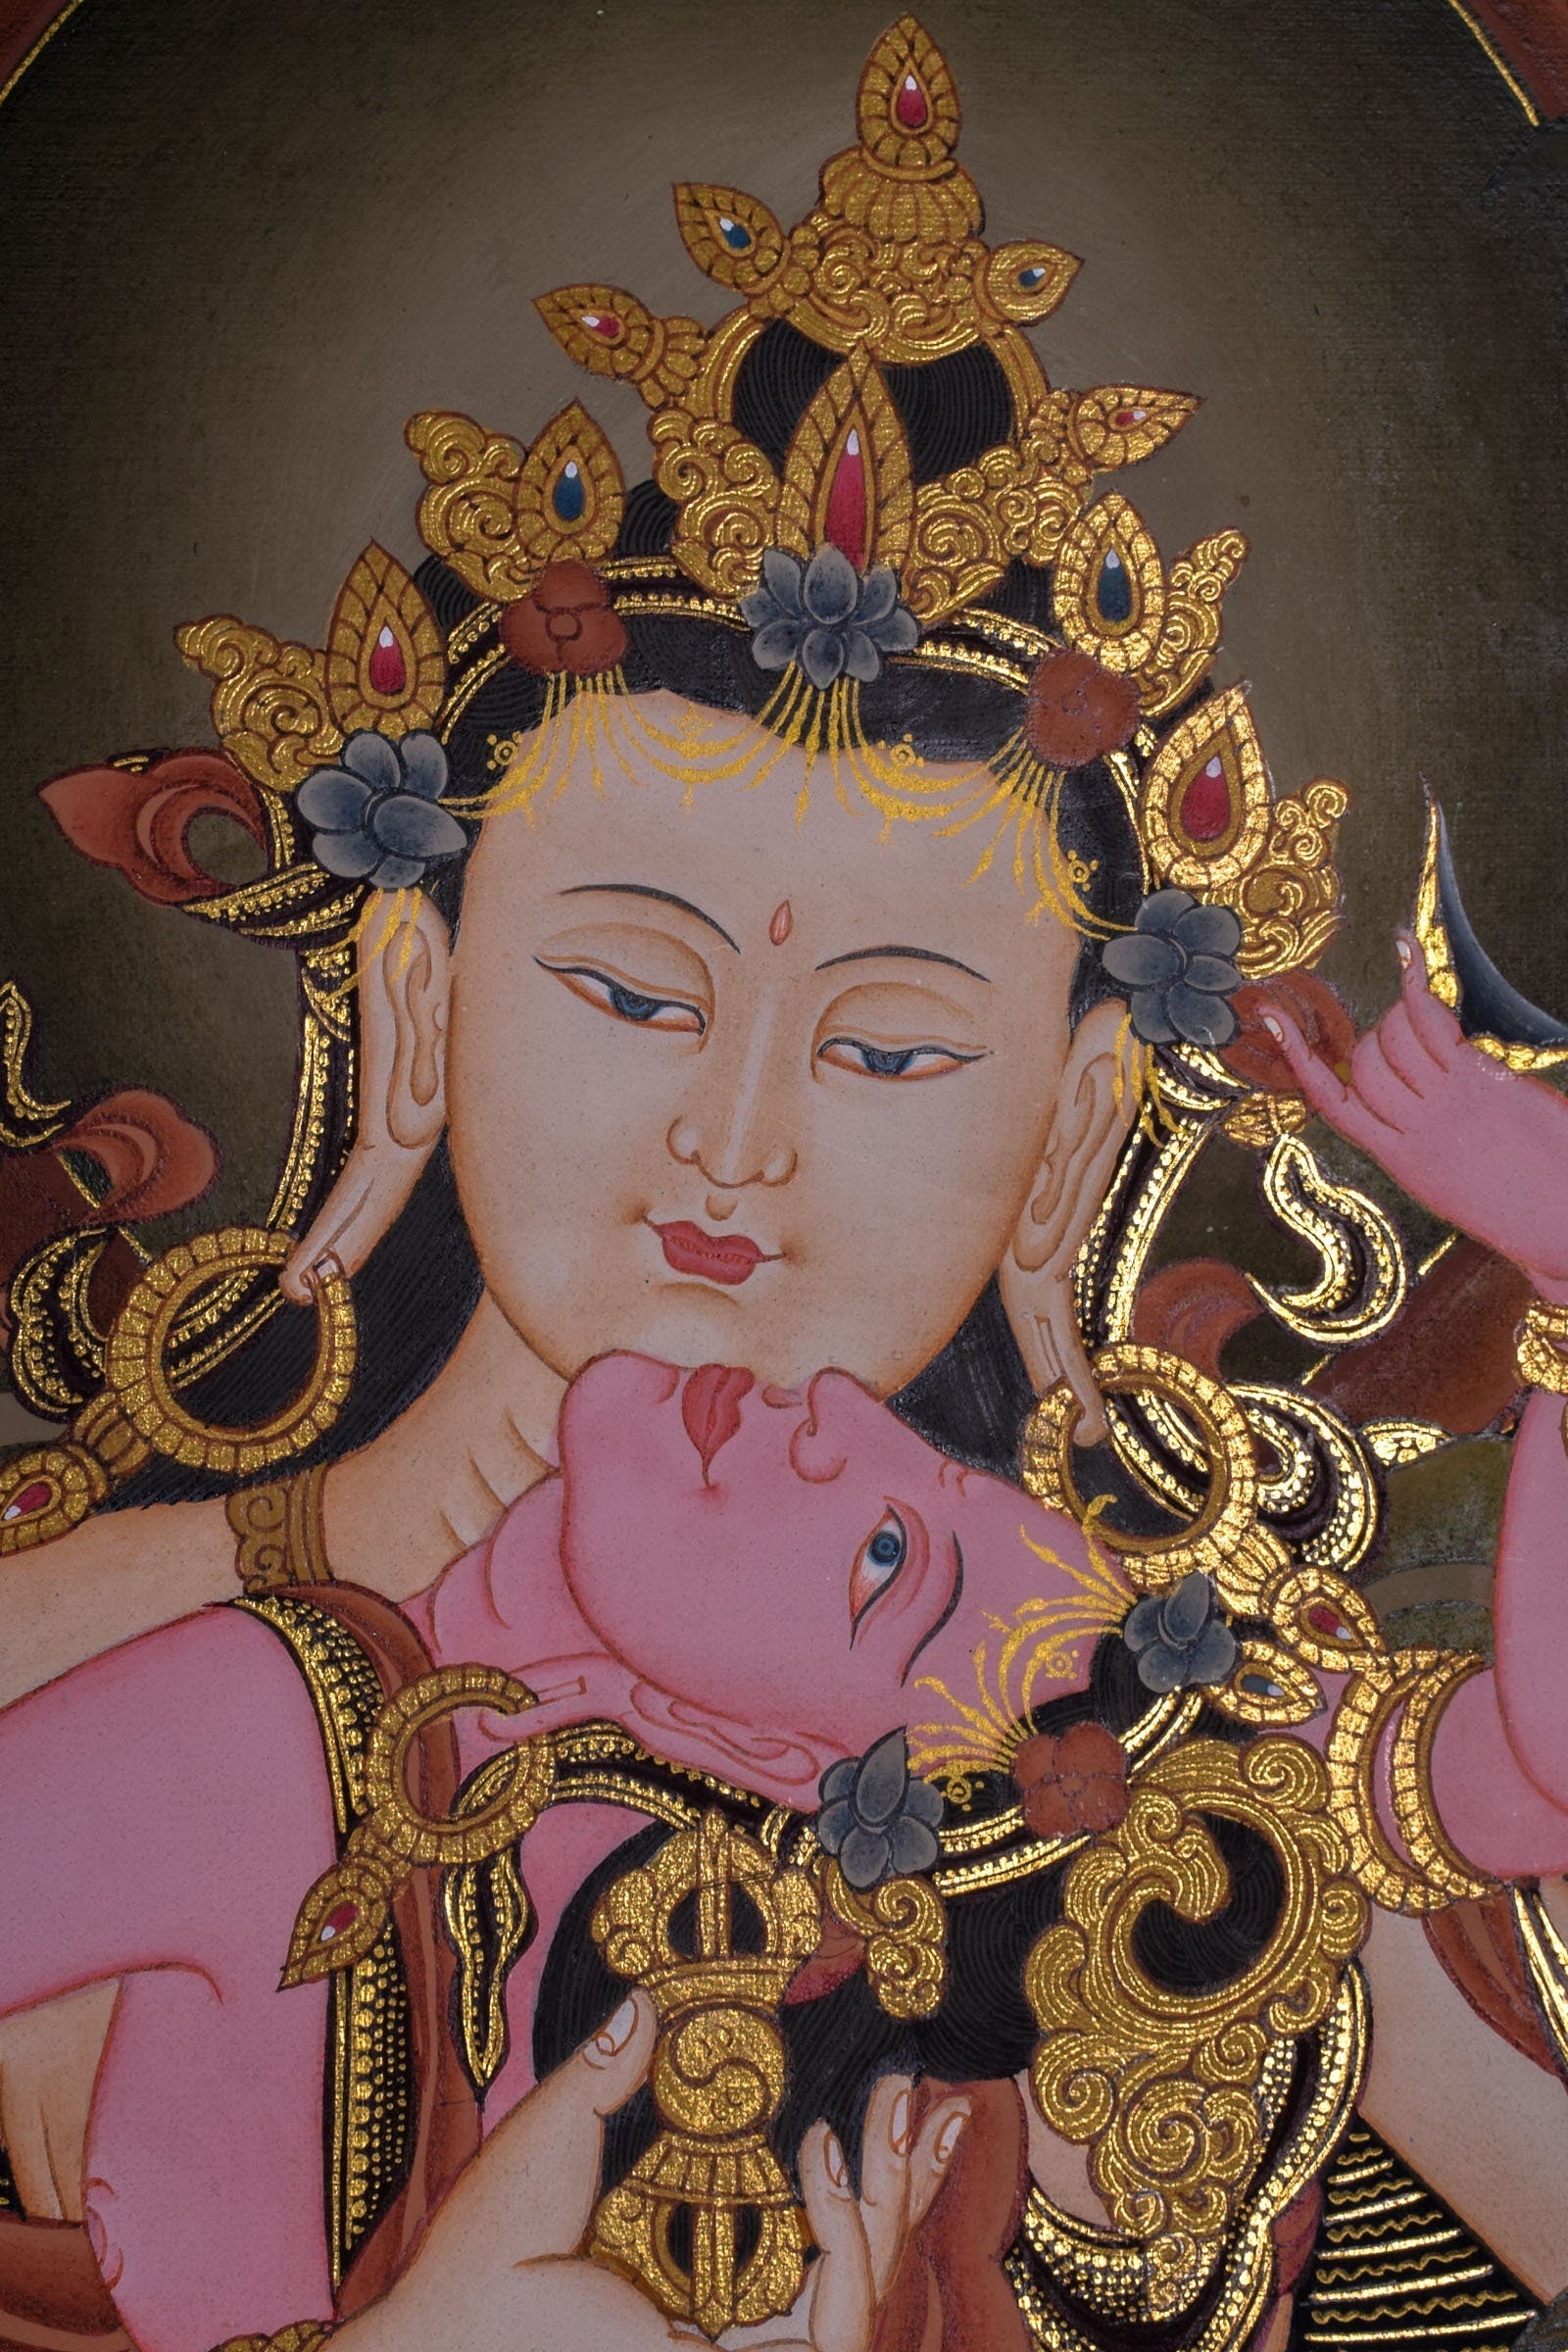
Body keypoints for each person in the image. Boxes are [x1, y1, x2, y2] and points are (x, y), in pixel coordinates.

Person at [2, 15, 1565, 2347]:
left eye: (892, 1046)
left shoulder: (1085, 1704)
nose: (735, 1142)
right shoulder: (200, 1693)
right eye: (629, 989)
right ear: (420, 1004)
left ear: (1061, 1139)